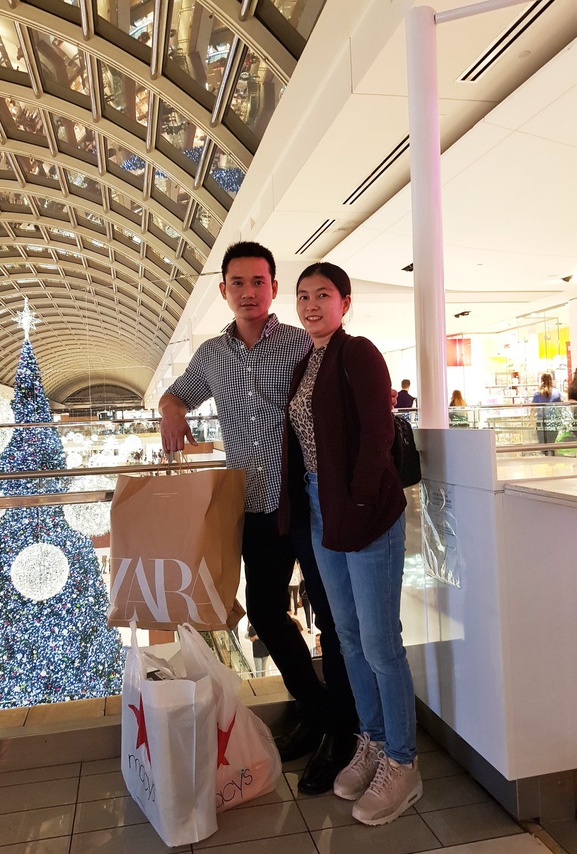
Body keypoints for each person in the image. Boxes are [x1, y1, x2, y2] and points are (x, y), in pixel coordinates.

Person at [159, 241, 359, 795]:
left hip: (308, 504)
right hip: (251, 506)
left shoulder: (302, 345)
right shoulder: (212, 355)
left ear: (274, 288)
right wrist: (170, 410)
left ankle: (344, 735)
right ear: (223, 290)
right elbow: (178, 395)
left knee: (336, 622)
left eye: (259, 282)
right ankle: (316, 709)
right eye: (238, 283)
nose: (249, 292)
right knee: (267, 614)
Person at [279, 261, 422, 826]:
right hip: (320, 511)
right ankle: (374, 740)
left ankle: (404, 763)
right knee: (348, 637)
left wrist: (360, 506)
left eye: (322, 295)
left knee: (382, 643)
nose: (311, 305)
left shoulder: (358, 352)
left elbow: (378, 435)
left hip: (364, 514)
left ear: (345, 301)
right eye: (303, 296)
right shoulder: (306, 362)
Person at [533, 372, 562, 454]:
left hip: (541, 422)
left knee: (543, 445)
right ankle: (552, 460)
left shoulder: (537, 394)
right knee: (552, 444)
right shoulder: (556, 392)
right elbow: (560, 407)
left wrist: (530, 420)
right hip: (553, 422)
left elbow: (533, 409)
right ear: (551, 380)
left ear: (541, 380)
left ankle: (545, 460)